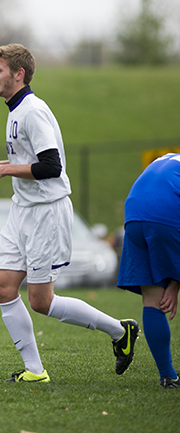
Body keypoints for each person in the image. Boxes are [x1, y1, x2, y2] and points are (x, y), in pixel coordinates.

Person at [0, 43, 138, 383]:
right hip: (22, 211)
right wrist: (1, 164)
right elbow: (30, 161)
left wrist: (5, 171)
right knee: (3, 288)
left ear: (18, 74)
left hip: (47, 213)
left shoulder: (32, 111)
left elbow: (50, 166)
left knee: (41, 301)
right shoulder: (15, 110)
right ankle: (35, 371)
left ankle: (120, 332)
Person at [117, 152, 180, 388]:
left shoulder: (165, 158)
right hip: (166, 215)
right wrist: (175, 283)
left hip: (134, 217)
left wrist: (174, 283)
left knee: (153, 301)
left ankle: (168, 376)